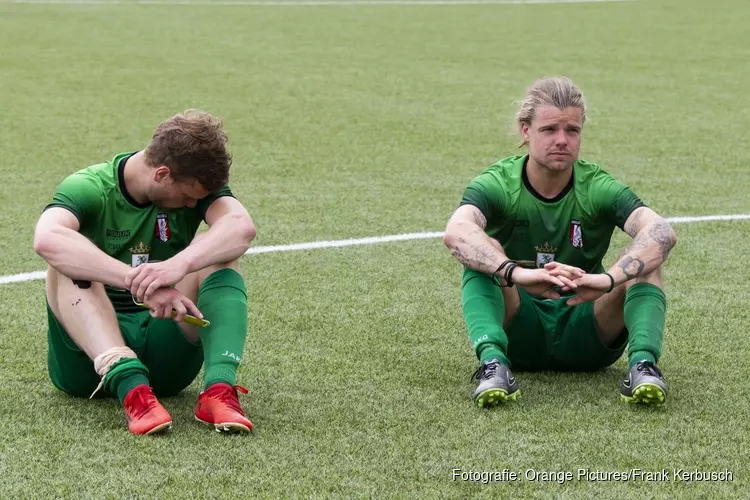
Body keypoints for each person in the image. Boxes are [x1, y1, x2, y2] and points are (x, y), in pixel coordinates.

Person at [443, 77, 677, 409]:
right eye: (550, 130)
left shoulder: (597, 186)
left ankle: (643, 366)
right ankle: (493, 365)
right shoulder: (498, 183)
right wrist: (518, 274)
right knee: (483, 251)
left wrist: (606, 279)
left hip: (587, 326)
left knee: (643, 258)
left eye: (572, 131)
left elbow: (661, 231)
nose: (562, 140)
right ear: (526, 130)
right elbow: (457, 232)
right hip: (519, 330)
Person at [33, 110, 257, 435]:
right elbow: (47, 237)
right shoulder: (91, 186)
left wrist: (177, 265)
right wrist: (137, 282)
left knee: (220, 251)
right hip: (87, 366)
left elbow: (241, 227)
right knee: (65, 259)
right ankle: (132, 389)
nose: (191, 205)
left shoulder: (196, 186)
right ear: (162, 174)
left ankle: (219, 391)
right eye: (187, 196)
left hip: (165, 358)